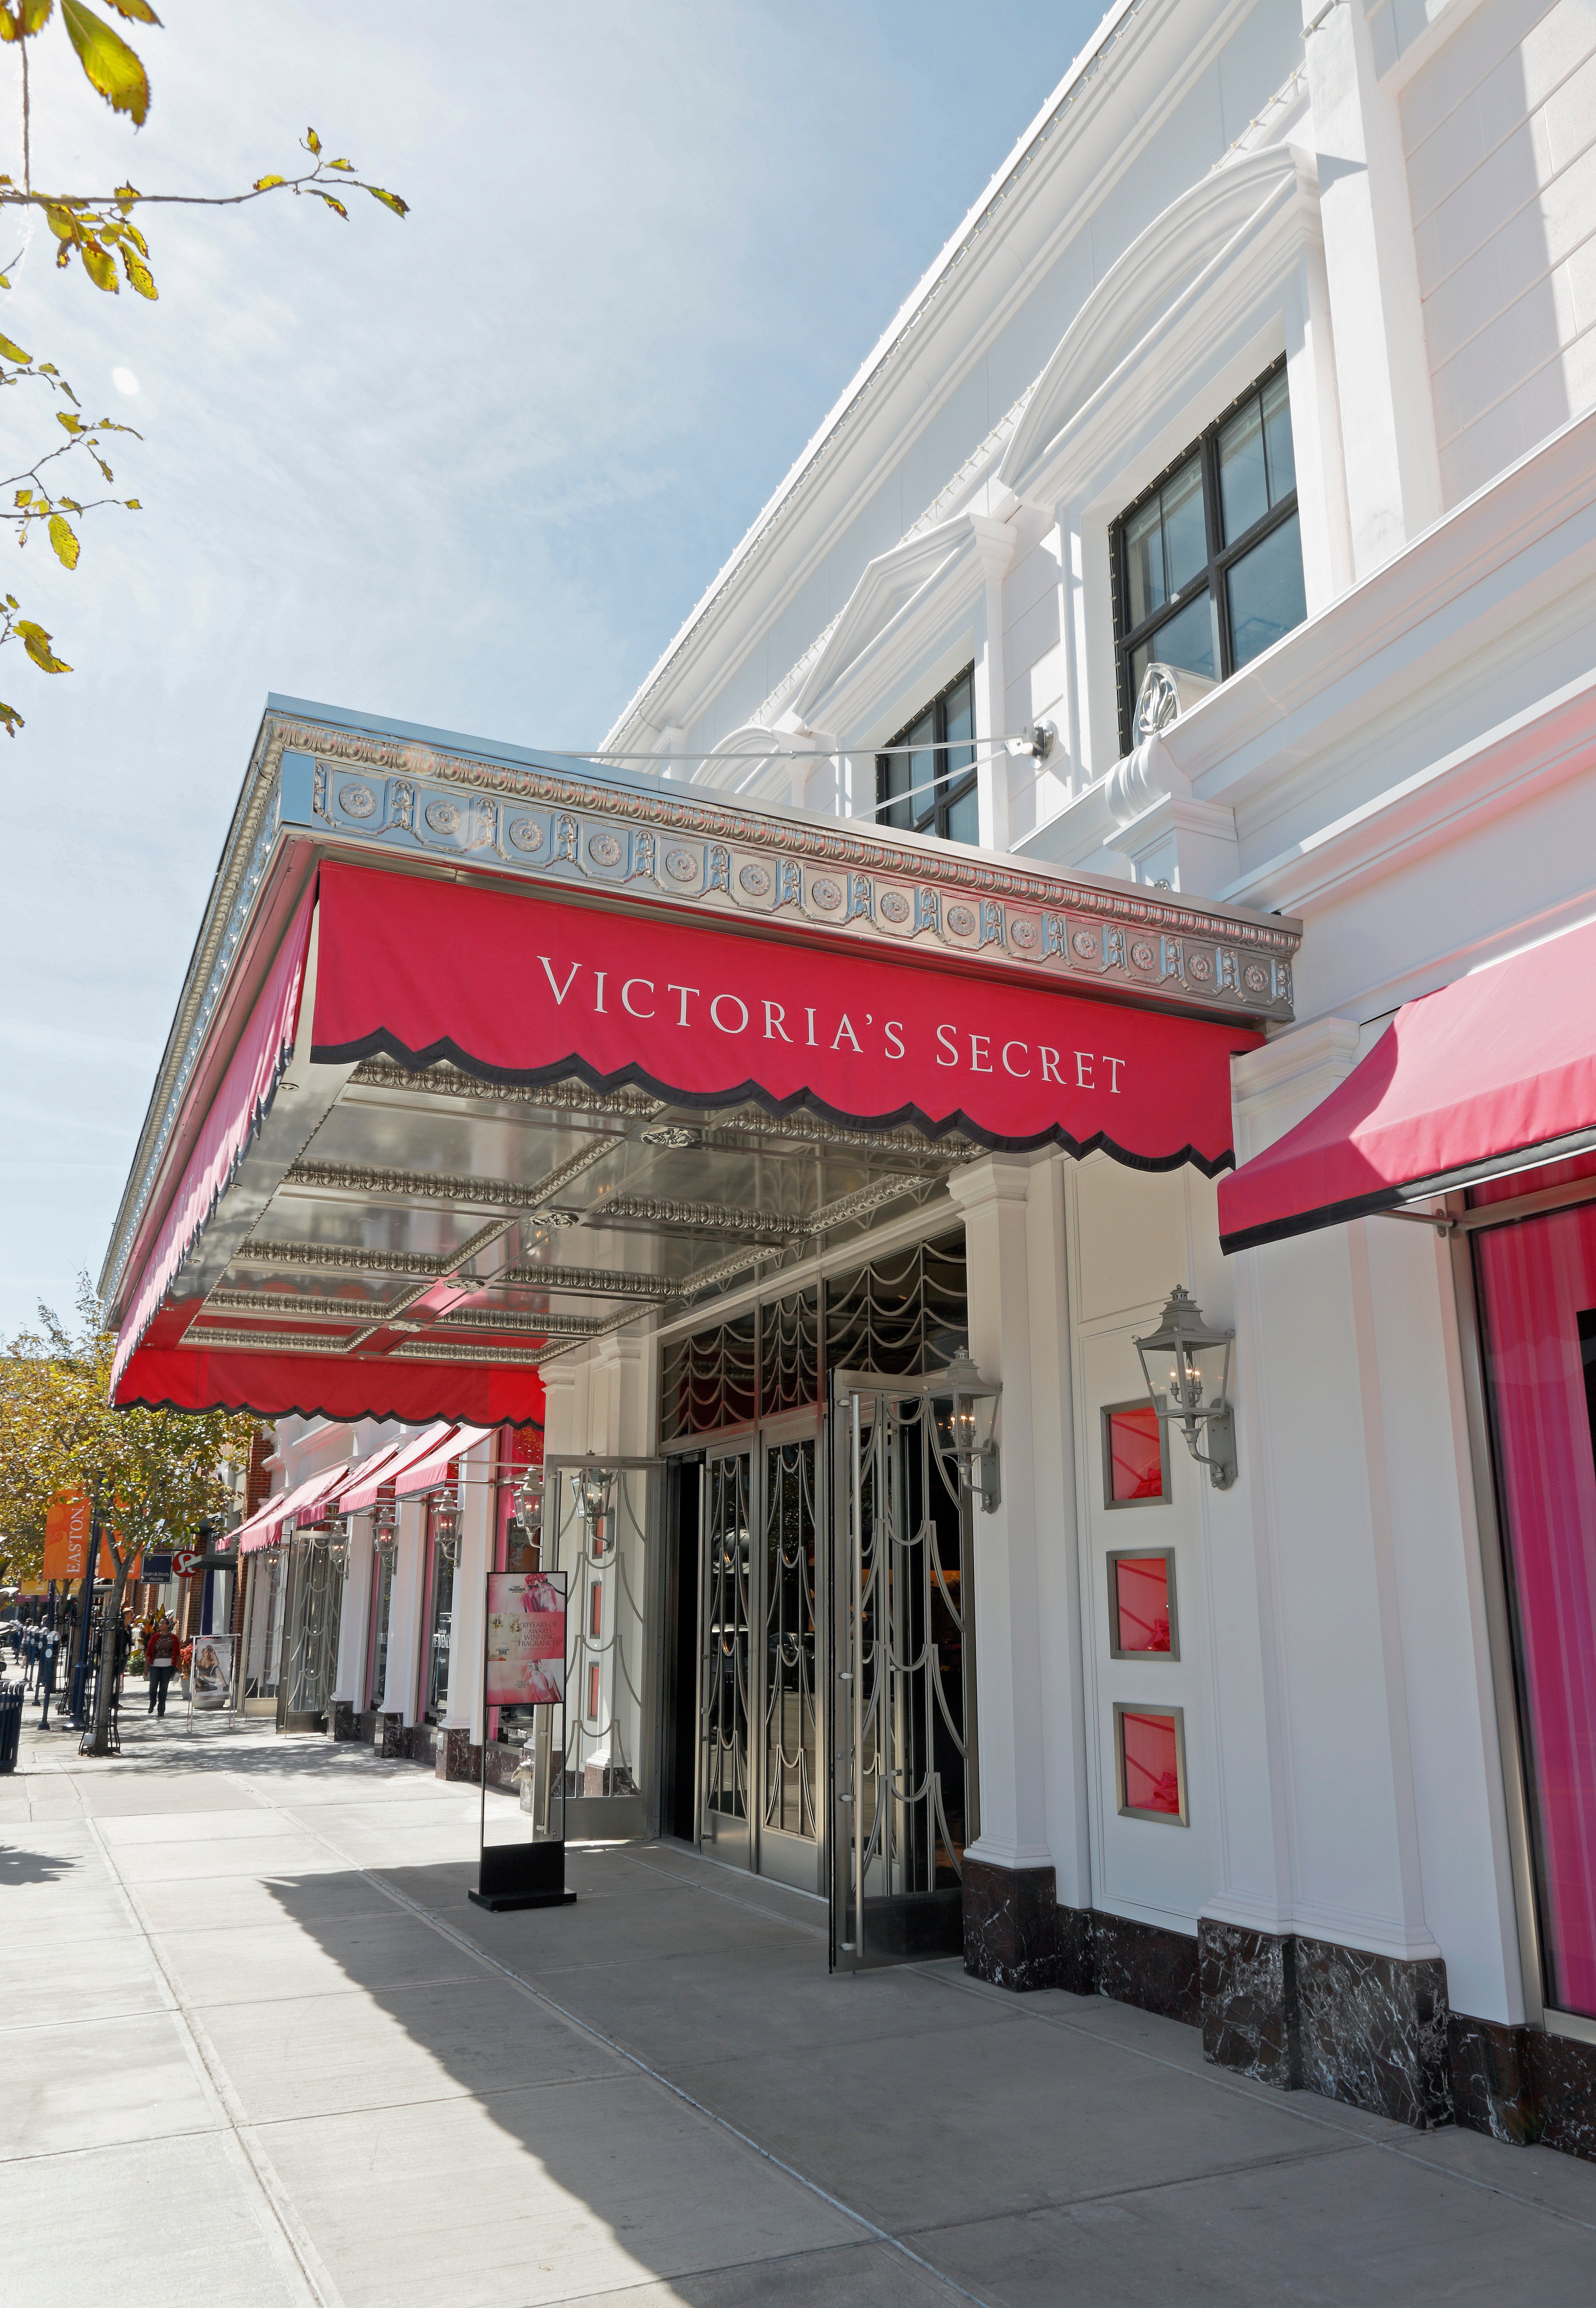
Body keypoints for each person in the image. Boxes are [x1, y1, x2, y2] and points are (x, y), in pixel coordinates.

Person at [146, 1617, 178, 1717]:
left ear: (168, 1626)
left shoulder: (174, 1638)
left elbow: (178, 1654)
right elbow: (149, 1653)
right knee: (153, 1686)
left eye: (164, 1623)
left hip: (168, 1666)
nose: (161, 1625)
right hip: (155, 1665)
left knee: (164, 1688)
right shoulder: (155, 1638)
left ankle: (161, 1709)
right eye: (160, 1623)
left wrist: (179, 1667)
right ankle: (152, 1702)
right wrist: (146, 1668)